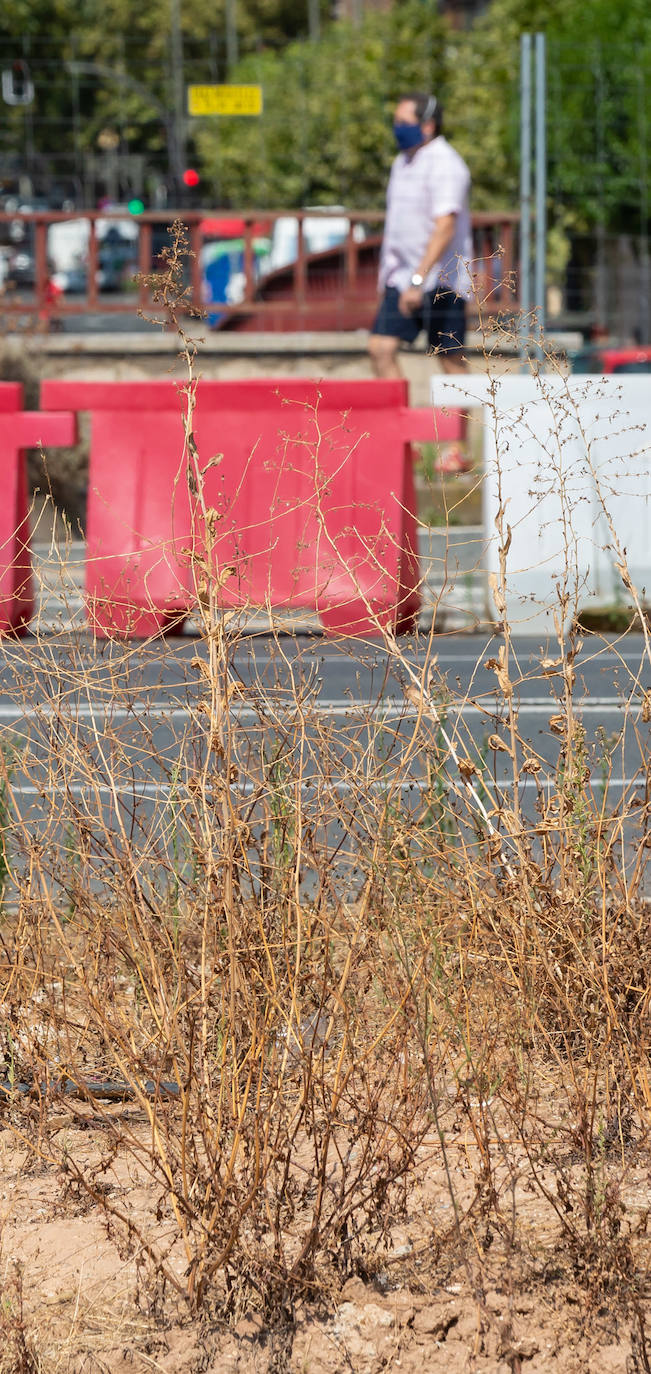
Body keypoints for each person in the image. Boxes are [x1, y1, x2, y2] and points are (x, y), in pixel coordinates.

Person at [369, 92, 473, 472]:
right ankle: (405, 444)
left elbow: (444, 225)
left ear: (428, 124)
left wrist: (419, 277)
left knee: (450, 359)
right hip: (402, 277)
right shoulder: (403, 162)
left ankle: (456, 449)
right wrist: (393, 278)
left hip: (440, 279)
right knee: (381, 347)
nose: (398, 128)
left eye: (404, 121)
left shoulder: (447, 164)